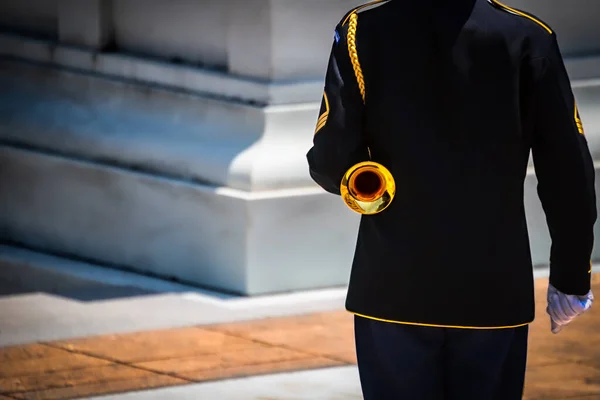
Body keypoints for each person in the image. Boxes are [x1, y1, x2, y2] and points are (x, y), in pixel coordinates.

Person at [306, 0, 597, 398]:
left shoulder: (363, 29)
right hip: (494, 289)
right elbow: (568, 170)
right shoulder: (530, 36)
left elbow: (329, 158)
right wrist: (571, 275)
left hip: (393, 287)